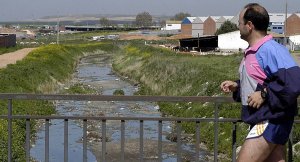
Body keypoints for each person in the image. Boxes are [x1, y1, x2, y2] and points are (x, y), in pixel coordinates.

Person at [220, 3, 300, 162]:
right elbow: (263, 81)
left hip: (270, 120)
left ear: (249, 25)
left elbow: (295, 82)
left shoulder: (271, 49)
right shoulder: (254, 50)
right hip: (266, 118)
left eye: (240, 23)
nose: (238, 26)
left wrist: (264, 94)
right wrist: (238, 86)